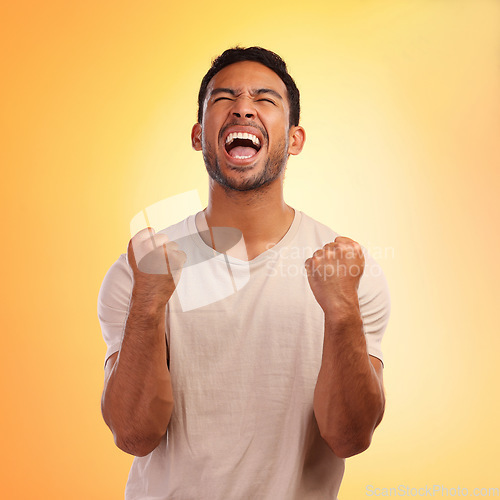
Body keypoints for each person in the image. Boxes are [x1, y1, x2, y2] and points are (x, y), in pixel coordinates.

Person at [98, 46, 391, 500]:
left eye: (265, 99)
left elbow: (350, 438)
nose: (243, 108)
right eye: (223, 99)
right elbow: (134, 436)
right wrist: (148, 303)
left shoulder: (348, 273)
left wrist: (342, 313)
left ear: (294, 139)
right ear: (199, 135)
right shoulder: (141, 270)